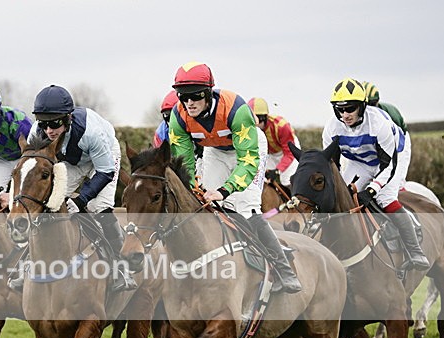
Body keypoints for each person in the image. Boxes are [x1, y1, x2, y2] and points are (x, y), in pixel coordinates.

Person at [168, 62, 301, 293]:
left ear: (208, 93)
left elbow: (248, 161)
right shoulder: (178, 116)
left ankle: (283, 269)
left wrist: (225, 189)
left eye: (195, 96)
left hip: (248, 149)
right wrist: (193, 188)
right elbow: (184, 162)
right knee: (211, 204)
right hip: (215, 151)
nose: (189, 103)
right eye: (183, 96)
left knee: (246, 207)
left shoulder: (235, 108)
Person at [19, 84, 135, 292]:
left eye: (54, 124)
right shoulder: (37, 133)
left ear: (67, 119)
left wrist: (80, 200)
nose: (49, 130)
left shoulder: (91, 133)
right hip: (72, 163)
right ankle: (25, 262)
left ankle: (120, 268)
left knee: (101, 209)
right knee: (47, 206)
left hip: (103, 158)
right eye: (44, 124)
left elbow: (105, 172)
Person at [323, 77, 429, 270]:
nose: (345, 114)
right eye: (340, 109)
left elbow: (387, 166)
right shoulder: (331, 128)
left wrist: (371, 190)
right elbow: (333, 167)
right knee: (343, 195)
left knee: (385, 197)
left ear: (362, 106)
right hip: (360, 161)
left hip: (390, 158)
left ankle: (415, 251)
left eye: (350, 108)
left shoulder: (379, 124)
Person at [363, 81, 412, 185]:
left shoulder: (389, 114)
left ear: (378, 102)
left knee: (397, 179)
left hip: (399, 139)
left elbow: (397, 146)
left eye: (372, 104)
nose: (369, 109)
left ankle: (400, 188)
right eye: (366, 105)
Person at [247, 97, 300, 187]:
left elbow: (289, 153)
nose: (254, 124)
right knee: (261, 180)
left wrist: (277, 171)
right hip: (270, 154)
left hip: (288, 151)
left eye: (256, 120)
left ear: (264, 117)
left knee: (286, 180)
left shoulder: (282, 126)